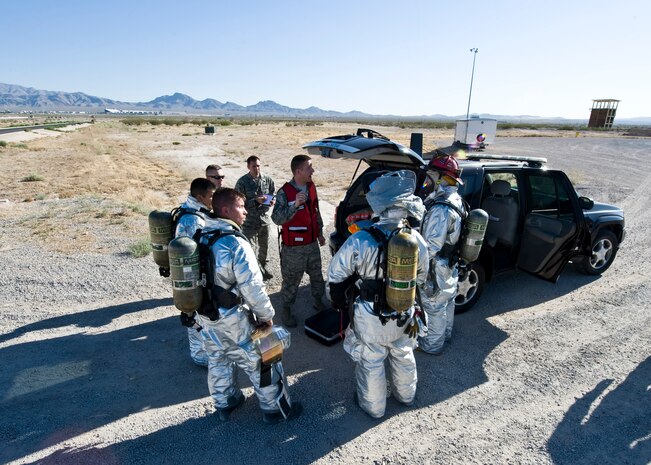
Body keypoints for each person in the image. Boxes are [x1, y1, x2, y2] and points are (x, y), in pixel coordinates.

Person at [195, 187, 302, 423]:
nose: (245, 212)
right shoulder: (235, 244)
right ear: (225, 210)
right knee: (264, 360)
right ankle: (274, 408)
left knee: (218, 360)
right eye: (240, 207)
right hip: (235, 318)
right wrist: (266, 316)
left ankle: (226, 403)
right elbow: (253, 287)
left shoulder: (200, 236)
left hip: (206, 316)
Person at [327, 170, 428, 419]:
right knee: (403, 352)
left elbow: (335, 274)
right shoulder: (415, 239)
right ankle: (406, 396)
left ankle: (374, 408)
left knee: (371, 359)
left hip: (370, 314)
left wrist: (339, 300)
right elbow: (423, 276)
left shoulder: (361, 239)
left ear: (379, 205)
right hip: (404, 309)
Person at [417, 152, 466, 355]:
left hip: (437, 265)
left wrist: (416, 268)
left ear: (441, 177)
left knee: (433, 304)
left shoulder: (440, 208)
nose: (428, 179)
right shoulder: (456, 199)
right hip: (449, 262)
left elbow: (430, 247)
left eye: (431, 174)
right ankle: (445, 335)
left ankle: (432, 346)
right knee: (447, 300)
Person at [271, 154, 327, 328]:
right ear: (298, 171)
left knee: (317, 276)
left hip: (311, 244)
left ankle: (318, 301)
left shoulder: (311, 187)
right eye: (309, 167)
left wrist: (319, 232)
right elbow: (277, 219)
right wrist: (293, 206)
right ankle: (286, 309)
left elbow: (315, 211)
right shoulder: (284, 192)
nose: (313, 170)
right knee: (291, 281)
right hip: (293, 248)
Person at [174, 177, 215, 366]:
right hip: (192, 275)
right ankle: (200, 355)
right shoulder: (193, 220)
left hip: (191, 272)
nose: (212, 200)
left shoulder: (190, 210)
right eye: (210, 196)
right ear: (199, 197)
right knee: (197, 316)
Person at [234, 156, 276, 281]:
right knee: (249, 249)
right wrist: (255, 201)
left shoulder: (267, 180)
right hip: (249, 221)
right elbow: (238, 203)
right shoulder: (242, 182)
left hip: (264, 220)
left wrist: (272, 201)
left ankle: (263, 268)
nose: (256, 168)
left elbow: (272, 193)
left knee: (264, 247)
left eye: (258, 165)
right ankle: (253, 272)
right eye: (253, 166)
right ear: (248, 167)